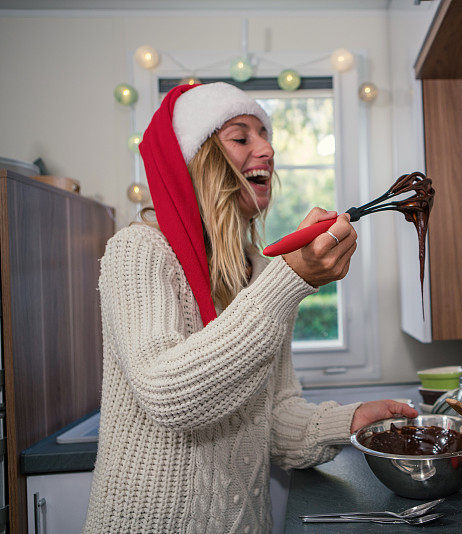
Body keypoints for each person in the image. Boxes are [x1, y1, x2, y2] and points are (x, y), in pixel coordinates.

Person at [83, 82, 417, 533]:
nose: (267, 149)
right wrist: (291, 278)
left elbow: (274, 421)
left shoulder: (260, 271)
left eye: (265, 135)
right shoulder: (139, 251)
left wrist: (352, 420)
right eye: (241, 138)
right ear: (197, 162)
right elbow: (167, 395)